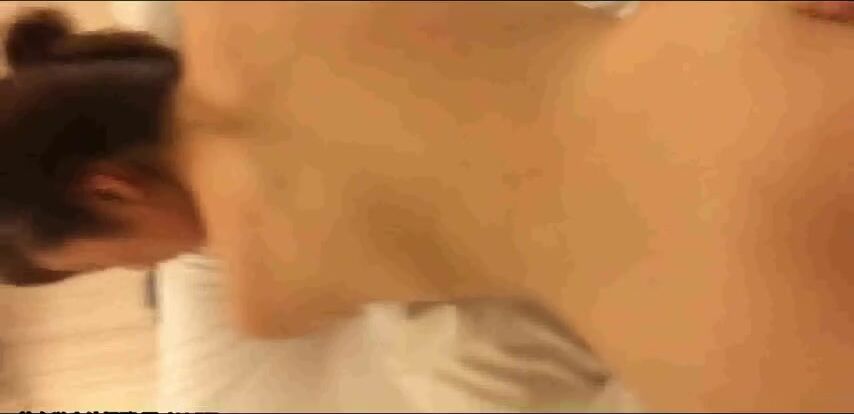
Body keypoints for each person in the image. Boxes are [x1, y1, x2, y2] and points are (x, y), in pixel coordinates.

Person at [1, 2, 854, 410]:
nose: (158, 267)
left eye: (117, 261)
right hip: (721, 57)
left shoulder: (260, 293)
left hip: (715, 308)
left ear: (108, 188)